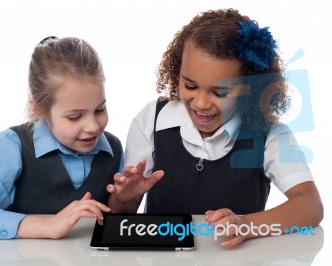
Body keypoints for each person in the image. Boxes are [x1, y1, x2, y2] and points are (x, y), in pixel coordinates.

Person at [107, 8, 323, 247]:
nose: (200, 103)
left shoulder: (268, 134)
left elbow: (310, 206)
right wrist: (125, 200)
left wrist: (246, 225)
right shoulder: (153, 119)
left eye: (219, 92)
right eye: (190, 85)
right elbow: (119, 219)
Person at [0, 36, 123, 239]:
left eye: (100, 109)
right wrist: (46, 226)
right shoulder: (13, 146)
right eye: (75, 117)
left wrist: (128, 199)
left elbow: (116, 223)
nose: (92, 127)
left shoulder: (114, 149)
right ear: (39, 109)